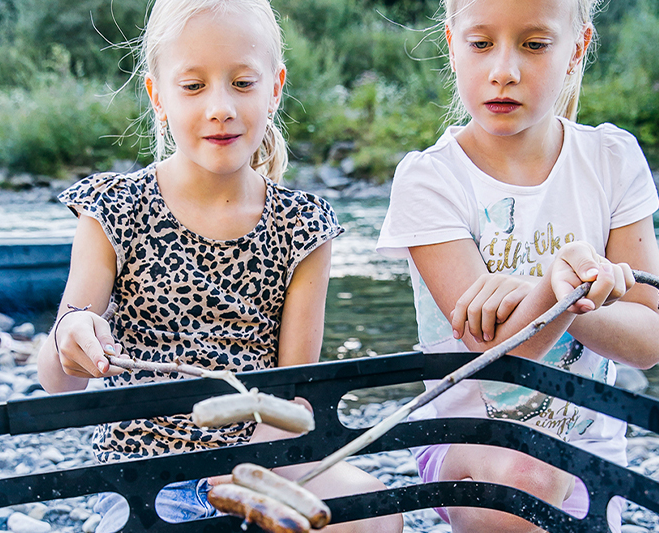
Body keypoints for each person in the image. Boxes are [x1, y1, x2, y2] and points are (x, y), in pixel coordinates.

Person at [37, 1, 402, 532]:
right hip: (144, 474)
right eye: (193, 86)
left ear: (275, 87)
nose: (220, 107)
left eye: (242, 83)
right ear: (157, 95)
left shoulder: (303, 225)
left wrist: (247, 469)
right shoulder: (115, 210)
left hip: (262, 459)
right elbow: (57, 383)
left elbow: (293, 398)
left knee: (372, 514)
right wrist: (70, 335)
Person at [376, 0, 659, 531]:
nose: (503, 71)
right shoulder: (430, 180)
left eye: (533, 44)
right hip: (472, 453)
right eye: (481, 45)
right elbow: (497, 347)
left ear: (576, 48)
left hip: (594, 456)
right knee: (523, 475)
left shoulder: (612, 160)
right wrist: (559, 281)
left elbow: (648, 341)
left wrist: (568, 295)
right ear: (453, 45)